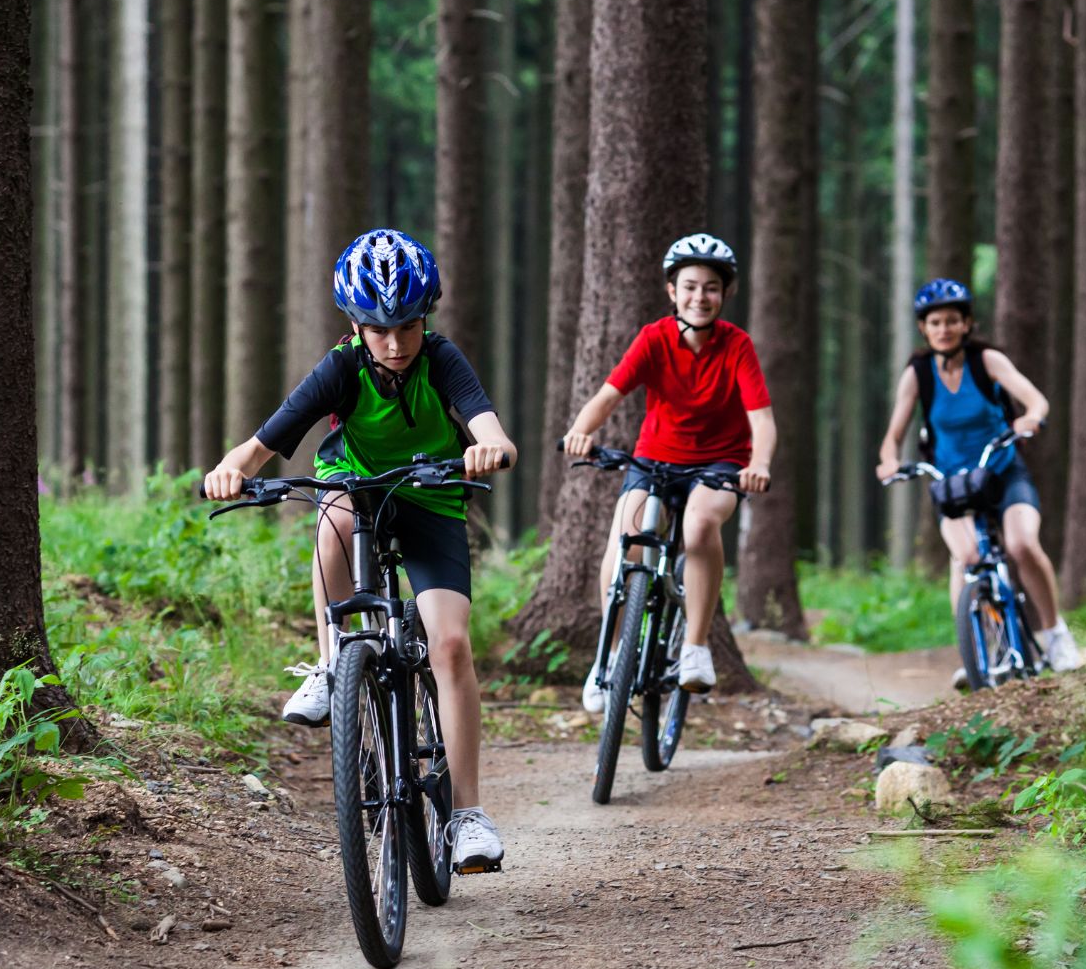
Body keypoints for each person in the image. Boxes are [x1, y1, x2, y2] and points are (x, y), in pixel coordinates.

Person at [203, 228, 516, 873]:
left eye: (406, 325)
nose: (395, 343)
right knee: (334, 515)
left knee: (450, 644)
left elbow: (488, 427)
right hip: (358, 492)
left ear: (425, 318)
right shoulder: (341, 367)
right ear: (355, 325)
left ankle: (467, 815)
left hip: (429, 498)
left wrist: (490, 448)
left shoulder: (442, 360)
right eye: (378, 329)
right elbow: (265, 440)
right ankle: (331, 661)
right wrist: (230, 467)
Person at [561, 234, 776, 705]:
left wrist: (758, 464)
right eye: (691, 286)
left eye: (712, 288)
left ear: (725, 294)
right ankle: (611, 656)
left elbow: (761, 418)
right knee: (624, 546)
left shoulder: (737, 346)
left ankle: (696, 648)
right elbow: (608, 395)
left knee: (699, 527)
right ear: (672, 291)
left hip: (721, 463)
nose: (701, 297)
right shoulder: (654, 338)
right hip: (656, 457)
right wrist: (581, 431)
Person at [875, 278, 1081, 674]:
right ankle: (978, 652)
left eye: (952, 320)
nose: (944, 329)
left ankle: (1055, 634)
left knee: (1021, 544)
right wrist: (887, 461)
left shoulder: (986, 361)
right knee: (966, 558)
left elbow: (1035, 398)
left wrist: (1032, 418)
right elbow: (892, 437)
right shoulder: (918, 373)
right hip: (953, 484)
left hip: (1003, 473)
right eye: (935, 322)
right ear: (923, 328)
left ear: (967, 323)